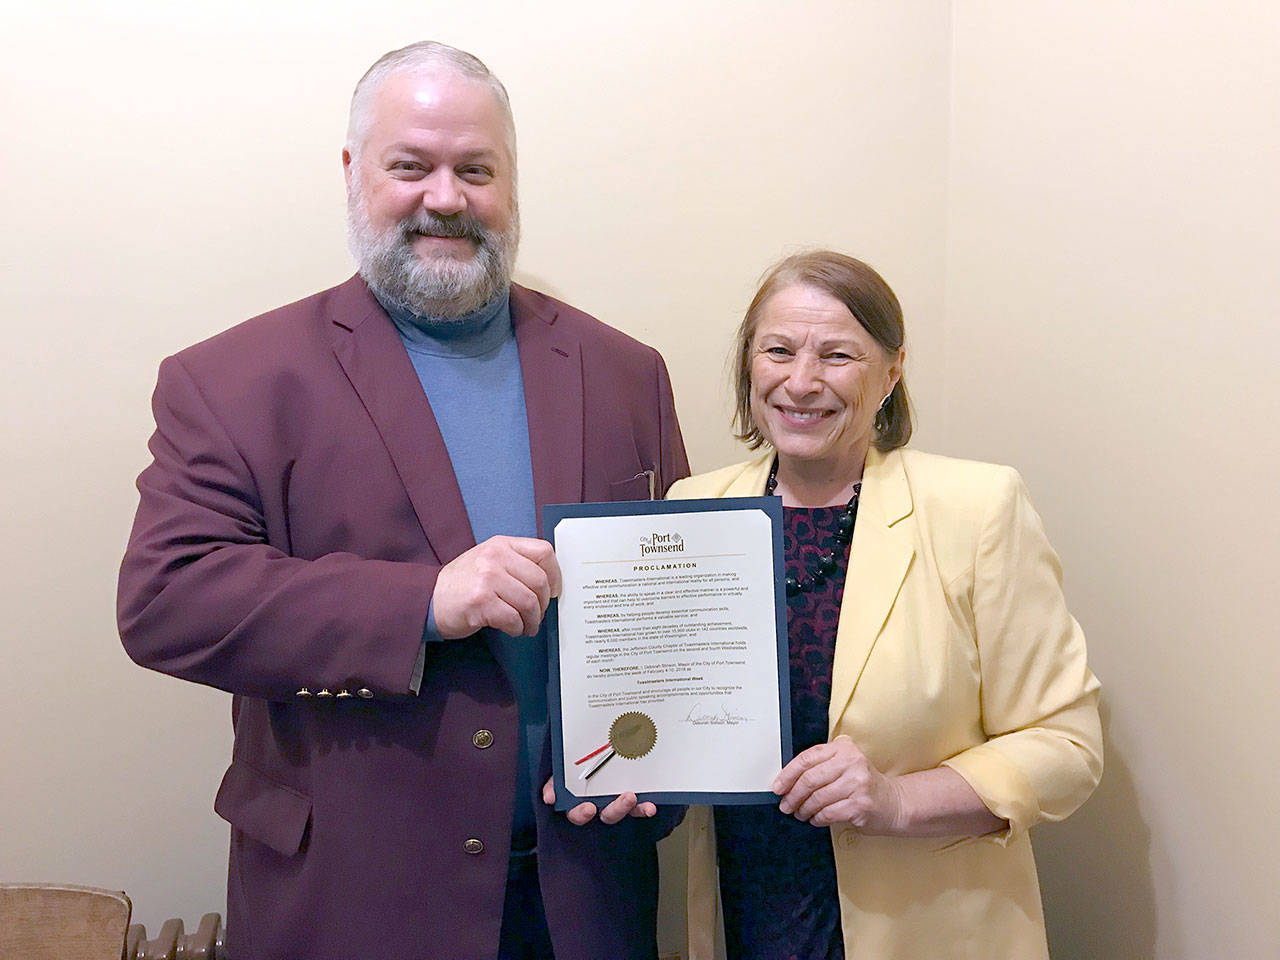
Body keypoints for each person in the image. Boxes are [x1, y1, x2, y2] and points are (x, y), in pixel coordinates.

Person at [116, 41, 688, 960]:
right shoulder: (230, 380)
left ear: (511, 180)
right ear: (353, 174)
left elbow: (669, 615)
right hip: (352, 901)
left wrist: (671, 765)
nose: (446, 198)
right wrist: (418, 602)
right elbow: (167, 600)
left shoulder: (626, 372)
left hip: (584, 899)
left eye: (475, 169)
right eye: (411, 166)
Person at [667, 251, 1102, 960]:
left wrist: (896, 802)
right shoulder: (692, 510)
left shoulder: (976, 510)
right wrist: (615, 763)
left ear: (891, 373)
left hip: (925, 930)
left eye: (837, 355)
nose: (800, 382)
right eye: (778, 350)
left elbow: (1068, 747)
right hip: (753, 914)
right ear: (750, 363)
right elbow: (675, 711)